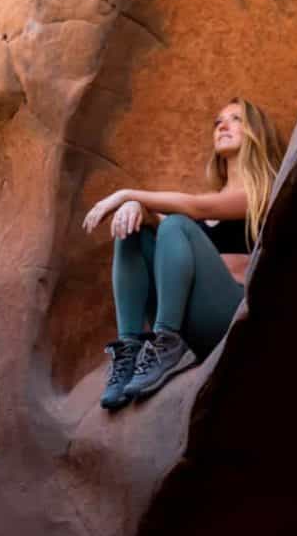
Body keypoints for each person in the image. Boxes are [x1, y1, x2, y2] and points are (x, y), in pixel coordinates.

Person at [82, 97, 283, 410]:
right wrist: (136, 208)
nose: (222, 126)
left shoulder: (268, 193)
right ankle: (130, 350)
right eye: (218, 122)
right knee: (133, 227)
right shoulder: (202, 212)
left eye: (235, 119)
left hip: (233, 322)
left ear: (257, 132)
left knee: (175, 224)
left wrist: (127, 193)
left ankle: (166, 338)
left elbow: (192, 208)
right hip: (194, 325)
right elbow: (167, 222)